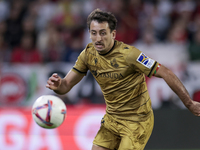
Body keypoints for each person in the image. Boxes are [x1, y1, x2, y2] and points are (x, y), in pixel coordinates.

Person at [46, 9, 200, 150]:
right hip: (112, 119)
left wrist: (189, 103)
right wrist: (58, 85)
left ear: (113, 34)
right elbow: (66, 86)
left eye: (103, 33)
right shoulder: (87, 55)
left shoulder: (130, 55)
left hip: (137, 120)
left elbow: (166, 73)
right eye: (94, 33)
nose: (98, 38)